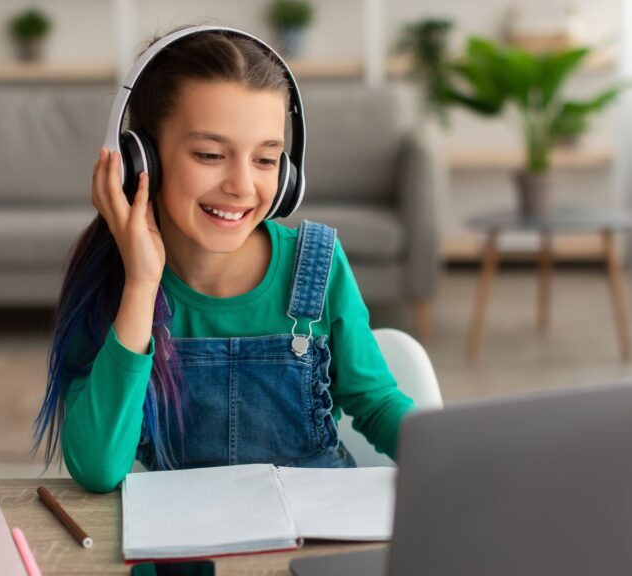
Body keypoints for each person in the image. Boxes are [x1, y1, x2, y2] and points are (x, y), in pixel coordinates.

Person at [33, 26, 415, 493]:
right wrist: (141, 283)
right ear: (142, 160)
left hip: (316, 535)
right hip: (187, 548)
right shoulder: (114, 280)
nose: (241, 185)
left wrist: (462, 455)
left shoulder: (317, 265)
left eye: (266, 160)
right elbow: (98, 468)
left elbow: (376, 403)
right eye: (211, 154)